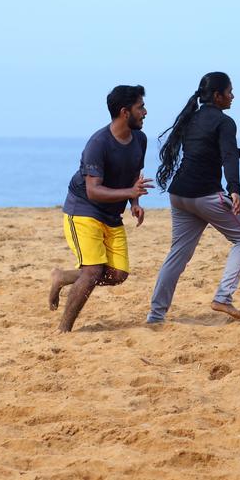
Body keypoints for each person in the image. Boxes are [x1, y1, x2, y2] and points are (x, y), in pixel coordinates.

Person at [147, 72, 240, 323]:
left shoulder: (192, 117)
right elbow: (226, 157)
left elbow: (208, 149)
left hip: (179, 194)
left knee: (177, 254)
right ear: (217, 95)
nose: (233, 96)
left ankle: (155, 316)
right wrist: (235, 190)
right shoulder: (225, 122)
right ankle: (223, 298)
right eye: (230, 92)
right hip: (205, 196)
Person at [48, 85, 153, 333]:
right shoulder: (98, 144)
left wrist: (134, 203)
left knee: (118, 274)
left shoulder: (140, 138)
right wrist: (130, 194)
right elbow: (93, 190)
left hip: (111, 213)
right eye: (141, 107)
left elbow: (133, 174)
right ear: (125, 112)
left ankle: (62, 277)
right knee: (92, 270)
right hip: (83, 209)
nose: (145, 112)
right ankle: (64, 330)